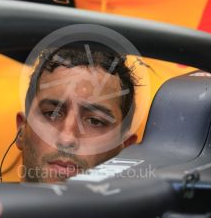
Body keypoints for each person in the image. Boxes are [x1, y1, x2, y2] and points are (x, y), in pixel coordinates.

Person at [15, 42, 138, 183]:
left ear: (126, 150)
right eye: (52, 114)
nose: (66, 139)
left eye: (95, 121)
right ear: (21, 131)